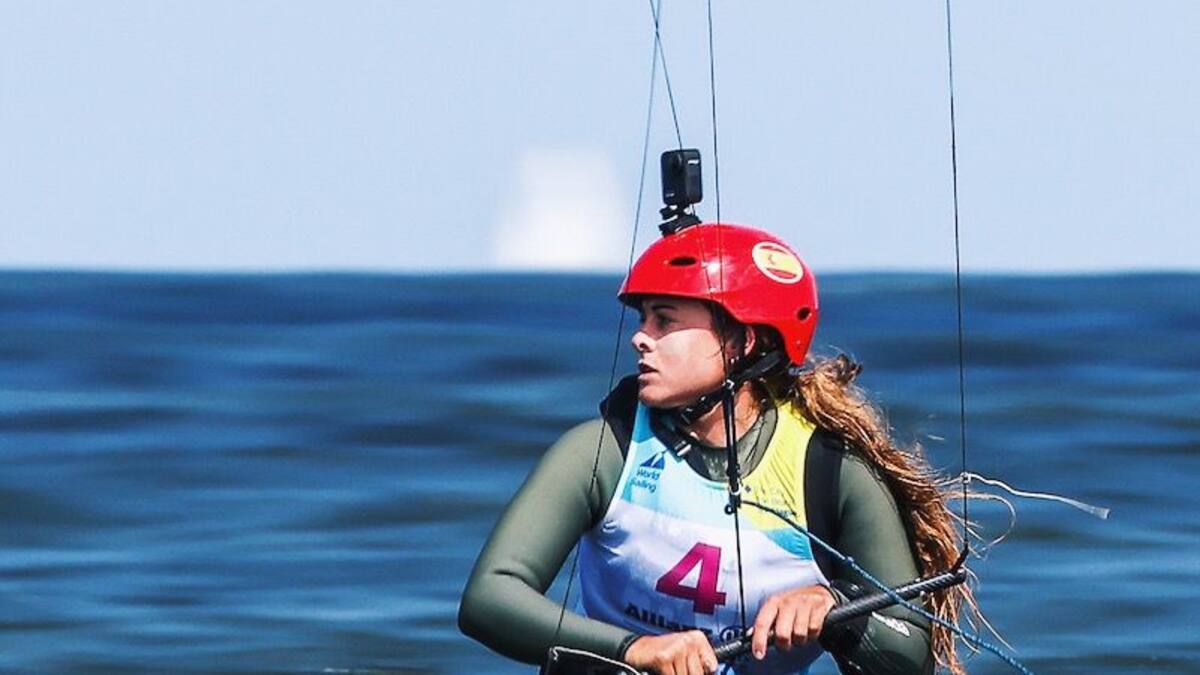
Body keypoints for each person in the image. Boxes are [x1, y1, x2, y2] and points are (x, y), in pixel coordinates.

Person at [459, 222, 977, 675]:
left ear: (741, 342)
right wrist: (635, 649)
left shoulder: (832, 473)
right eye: (642, 320)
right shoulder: (603, 452)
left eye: (665, 321)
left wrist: (835, 607)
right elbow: (490, 596)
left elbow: (911, 654)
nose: (641, 338)